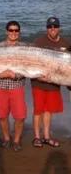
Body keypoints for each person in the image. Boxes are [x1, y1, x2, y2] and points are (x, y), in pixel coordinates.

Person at [31, 17, 70, 148]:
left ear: (59, 27)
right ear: (47, 28)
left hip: (54, 83)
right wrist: (37, 76)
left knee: (49, 111)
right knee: (38, 111)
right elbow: (30, 61)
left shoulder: (66, 43)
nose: (52, 29)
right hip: (39, 83)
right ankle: (37, 137)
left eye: (55, 26)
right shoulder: (39, 41)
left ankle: (47, 137)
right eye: (50, 27)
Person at [0, 21, 26, 151]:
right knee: (2, 115)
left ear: (19, 32)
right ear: (7, 32)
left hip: (17, 85)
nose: (13, 33)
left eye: (16, 30)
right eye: (11, 30)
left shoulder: (24, 48)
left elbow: (28, 67)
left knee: (20, 116)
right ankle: (6, 138)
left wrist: (15, 75)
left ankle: (16, 140)